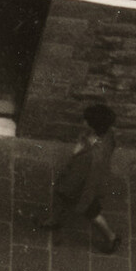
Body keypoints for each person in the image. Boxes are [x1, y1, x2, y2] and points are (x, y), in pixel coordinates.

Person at [37, 102, 120, 253]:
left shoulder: (90, 156)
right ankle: (54, 220)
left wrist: (64, 187)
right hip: (92, 181)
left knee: (92, 212)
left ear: (93, 126)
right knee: (68, 203)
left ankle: (111, 237)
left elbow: (78, 178)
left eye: (86, 120)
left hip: (80, 188)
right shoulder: (107, 134)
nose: (83, 122)